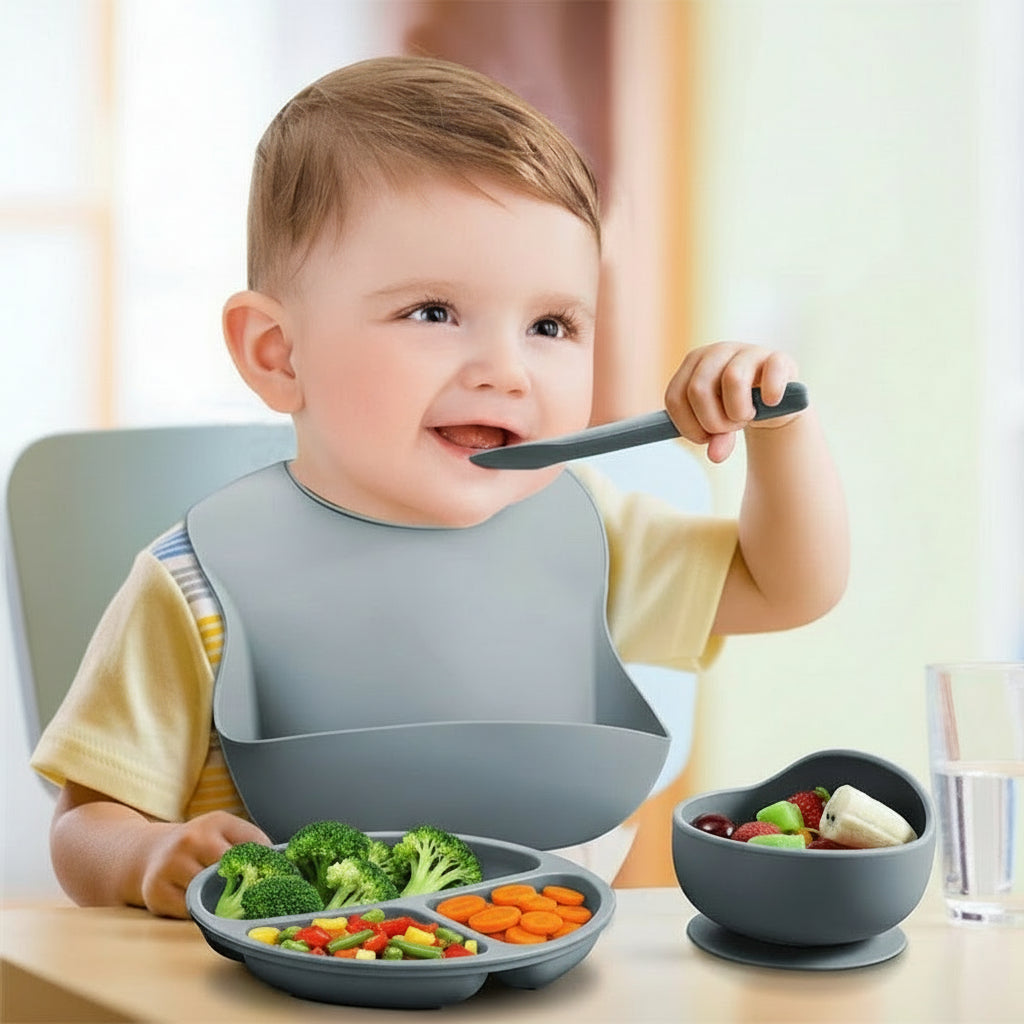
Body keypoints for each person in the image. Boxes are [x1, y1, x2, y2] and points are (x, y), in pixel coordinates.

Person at [31, 56, 849, 918]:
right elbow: (85, 827)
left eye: (551, 325)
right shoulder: (195, 584)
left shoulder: (592, 538)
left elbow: (789, 584)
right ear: (279, 353)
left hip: (542, 982)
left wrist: (782, 431)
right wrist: (147, 855)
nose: (506, 370)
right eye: (432, 312)